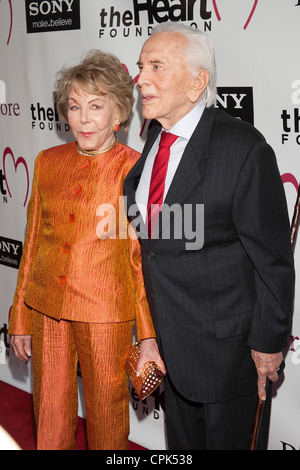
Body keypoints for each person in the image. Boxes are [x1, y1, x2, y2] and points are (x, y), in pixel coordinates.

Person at [124, 23, 295, 450]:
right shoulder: (154, 144)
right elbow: (152, 240)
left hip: (230, 361)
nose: (140, 78)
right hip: (172, 354)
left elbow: (273, 261)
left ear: (197, 81)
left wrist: (269, 345)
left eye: (156, 67)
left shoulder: (244, 150)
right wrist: (148, 335)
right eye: (142, 66)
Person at [8, 49, 165, 451]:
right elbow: (32, 246)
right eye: (75, 107)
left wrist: (148, 337)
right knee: (49, 414)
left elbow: (139, 260)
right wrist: (20, 314)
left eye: (96, 106)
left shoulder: (135, 170)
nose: (84, 118)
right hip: (46, 310)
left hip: (105, 314)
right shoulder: (47, 161)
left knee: (107, 418)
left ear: (119, 113)